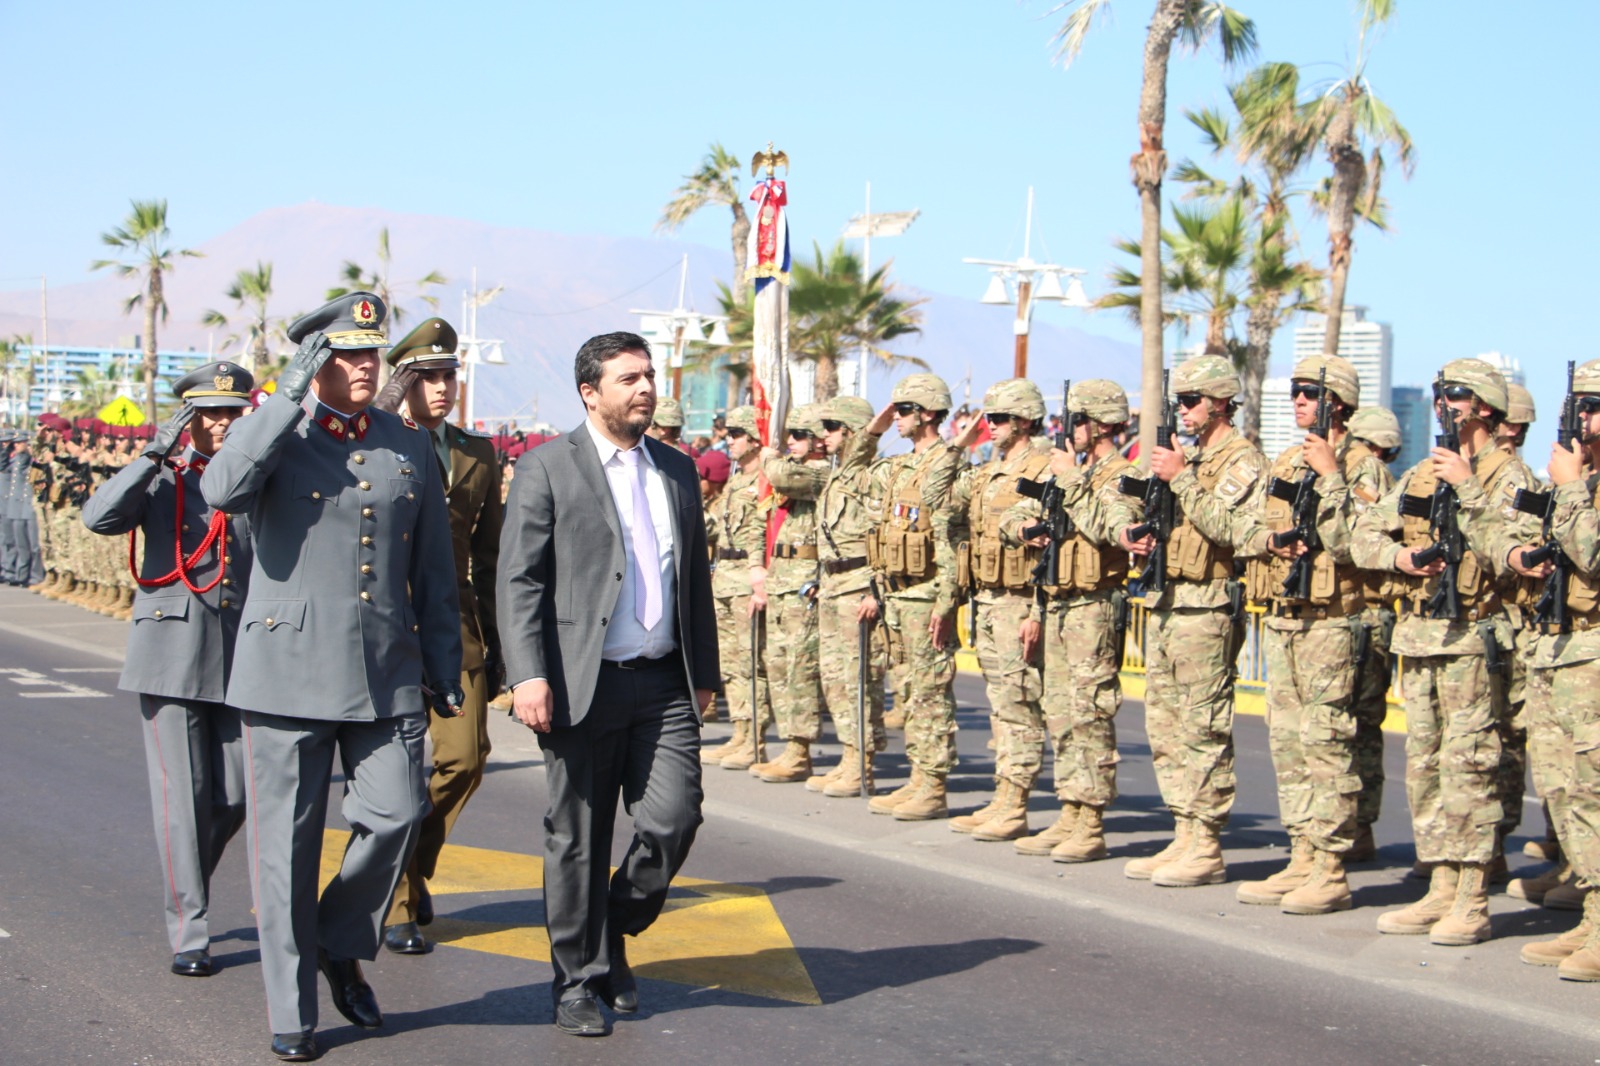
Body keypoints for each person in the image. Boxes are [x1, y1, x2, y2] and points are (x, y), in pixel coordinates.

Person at [201, 292, 463, 1062]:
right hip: (285, 675)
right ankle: (292, 1011)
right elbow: (222, 490)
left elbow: (434, 570)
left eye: (369, 354)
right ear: (315, 361)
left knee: (397, 812)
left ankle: (340, 939)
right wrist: (286, 395)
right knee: (284, 846)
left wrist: (443, 665)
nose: (362, 367)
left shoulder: (406, 444)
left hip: (385, 673)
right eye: (345, 354)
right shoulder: (278, 436)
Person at [497, 331, 718, 1037]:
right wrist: (528, 675)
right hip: (578, 682)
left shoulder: (677, 472)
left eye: (648, 375)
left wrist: (704, 674)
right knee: (578, 837)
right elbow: (520, 581)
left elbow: (696, 582)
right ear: (590, 392)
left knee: (673, 819)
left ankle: (613, 926)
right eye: (628, 378)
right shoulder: (545, 469)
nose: (645, 388)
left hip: (661, 682)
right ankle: (578, 979)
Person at [1351, 358, 1540, 946]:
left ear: (1484, 407)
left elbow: (1516, 553)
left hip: (1477, 644)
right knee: (1425, 769)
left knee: (1471, 769)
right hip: (1423, 639)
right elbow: (1362, 534)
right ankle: (1439, 884)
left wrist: (1465, 484)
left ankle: (1472, 896)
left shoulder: (1515, 481)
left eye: (1454, 394)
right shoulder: (1421, 477)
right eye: (1438, 394)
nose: (1443, 404)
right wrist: (1400, 559)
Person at [80, 361, 254, 978]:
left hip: (240, 659)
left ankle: (186, 884)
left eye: (234, 413)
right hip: (171, 658)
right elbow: (98, 518)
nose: (224, 425)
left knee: (234, 796)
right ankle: (191, 931)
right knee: (184, 801)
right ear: (190, 419)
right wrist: (154, 454)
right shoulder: (163, 479)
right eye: (211, 414)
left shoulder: (253, 482)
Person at [370, 317, 506, 956]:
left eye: (450, 374)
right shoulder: (374, 446)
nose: (443, 387)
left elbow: (491, 556)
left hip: (455, 629)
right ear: (405, 383)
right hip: (386, 628)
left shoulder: (477, 454)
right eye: (428, 377)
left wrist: (503, 646)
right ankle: (395, 900)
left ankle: (413, 865)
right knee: (397, 772)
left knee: (466, 756)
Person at [1234, 356, 1379, 914]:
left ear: (1337, 403)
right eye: (1293, 391)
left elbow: (1359, 544)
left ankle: (1332, 866)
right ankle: (1301, 854)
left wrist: (1332, 476)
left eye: (1308, 392)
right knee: (1288, 744)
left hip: (1330, 622)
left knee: (1326, 744)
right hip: (1285, 618)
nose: (1296, 400)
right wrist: (1270, 543)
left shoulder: (1361, 467)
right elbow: (1248, 525)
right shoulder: (1287, 460)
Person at [1119, 355, 1266, 887]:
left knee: (1202, 727)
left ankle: (1205, 843)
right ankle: (1183, 830)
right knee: (1165, 725)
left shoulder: (1240, 461)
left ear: (1222, 401)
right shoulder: (1190, 458)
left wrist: (1181, 479)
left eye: (1190, 401)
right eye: (1178, 401)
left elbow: (1230, 530)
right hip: (1166, 602)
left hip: (1206, 608)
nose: (1182, 411)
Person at [1005, 380, 1140, 862]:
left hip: (1094, 605)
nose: (1070, 430)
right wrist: (1024, 530)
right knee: (1059, 713)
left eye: (1078, 420)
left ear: (1103, 424)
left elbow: (1111, 528)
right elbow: (1017, 515)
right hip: (1058, 601)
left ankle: (1092, 818)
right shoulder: (1069, 471)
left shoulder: (1128, 474)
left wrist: (1069, 481)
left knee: (1090, 713)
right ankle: (1070, 808)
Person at [940, 379, 1054, 840]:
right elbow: (936, 494)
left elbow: (1052, 547)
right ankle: (1003, 796)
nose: (992, 425)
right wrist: (962, 442)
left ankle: (1017, 803)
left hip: (1020, 601)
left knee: (1020, 705)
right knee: (1000, 707)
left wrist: (1038, 613)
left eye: (1000, 418)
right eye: (989, 417)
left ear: (1025, 420)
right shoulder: (990, 469)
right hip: (987, 599)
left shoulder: (1044, 469)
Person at [1516, 359, 1600, 977]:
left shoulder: (1578, 481)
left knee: (1596, 791)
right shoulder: (1580, 478)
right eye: (1581, 408)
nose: (1585, 420)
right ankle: (1593, 918)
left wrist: (1569, 486)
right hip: (1558, 647)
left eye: (1595, 408)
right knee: (1563, 791)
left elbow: (1593, 554)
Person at [866, 374, 965, 820]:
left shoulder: (948, 462)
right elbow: (852, 468)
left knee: (930, 695)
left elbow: (949, 540)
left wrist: (947, 602)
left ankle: (933, 786)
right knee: (909, 694)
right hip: (899, 595)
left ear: (927, 413)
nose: (897, 419)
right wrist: (875, 427)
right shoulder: (899, 465)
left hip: (928, 595)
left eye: (903, 411)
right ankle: (917, 779)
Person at [809, 395, 889, 795]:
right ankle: (848, 757)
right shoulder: (837, 477)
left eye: (832, 427)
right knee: (836, 679)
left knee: (861, 679)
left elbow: (882, 537)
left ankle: (864, 763)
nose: (824, 436)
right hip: (833, 586)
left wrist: (877, 590)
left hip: (858, 586)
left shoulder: (866, 476)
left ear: (851, 432)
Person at [751, 402, 829, 783]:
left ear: (817, 441)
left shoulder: (821, 472)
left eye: (798, 435)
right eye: (788, 435)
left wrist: (769, 456)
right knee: (780, 666)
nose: (789, 442)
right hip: (783, 578)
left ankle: (800, 751)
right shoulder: (793, 469)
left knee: (801, 668)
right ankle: (791, 747)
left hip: (805, 583)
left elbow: (783, 477)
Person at [1343, 407, 1404, 859]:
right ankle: (1356, 826)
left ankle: (1358, 827)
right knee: (1359, 726)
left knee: (1359, 725)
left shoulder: (1365, 470)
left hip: (1367, 613)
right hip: (1365, 613)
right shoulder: (1369, 469)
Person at [701, 405, 775, 769]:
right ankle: (741, 733)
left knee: (750, 663)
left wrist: (759, 580)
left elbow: (763, 533)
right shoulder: (736, 480)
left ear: (754, 437)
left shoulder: (764, 479)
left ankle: (755, 740)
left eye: (735, 434)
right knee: (730, 664)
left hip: (747, 577)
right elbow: (714, 527)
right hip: (725, 577)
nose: (728, 440)